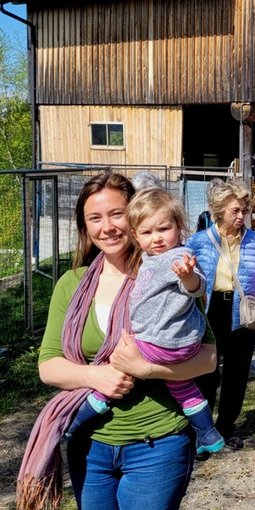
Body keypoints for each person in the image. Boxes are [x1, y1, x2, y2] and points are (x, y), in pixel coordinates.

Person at [17, 171, 215, 510]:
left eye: (117, 214)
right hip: (91, 445)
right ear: (85, 227)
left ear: (138, 213)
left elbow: (207, 358)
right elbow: (49, 366)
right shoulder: (71, 285)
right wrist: (94, 376)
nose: (107, 226)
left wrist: (145, 368)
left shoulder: (171, 274)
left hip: (156, 442)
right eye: (94, 218)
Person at [64, 188, 224, 454]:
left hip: (165, 341)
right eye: (148, 233)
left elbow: (197, 286)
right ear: (136, 236)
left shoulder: (177, 257)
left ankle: (78, 421)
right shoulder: (150, 259)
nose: (157, 238)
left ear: (178, 227)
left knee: (117, 365)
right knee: (184, 389)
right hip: (171, 343)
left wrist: (187, 277)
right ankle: (208, 435)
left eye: (164, 229)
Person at [188, 180, 255, 451]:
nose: (241, 216)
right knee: (206, 374)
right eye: (235, 210)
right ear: (219, 211)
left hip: (242, 312)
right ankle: (203, 432)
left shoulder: (254, 240)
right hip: (210, 311)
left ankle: (226, 427)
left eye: (244, 210)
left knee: (238, 373)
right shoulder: (199, 241)